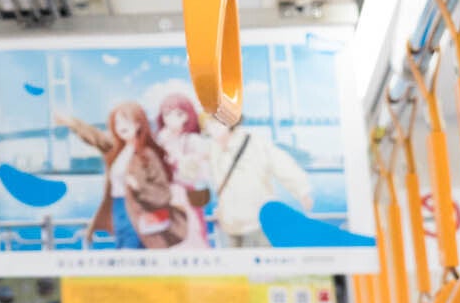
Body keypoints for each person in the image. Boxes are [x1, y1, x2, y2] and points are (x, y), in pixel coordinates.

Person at [56, 102, 187, 249]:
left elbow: (163, 192)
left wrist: (139, 187)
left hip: (138, 210)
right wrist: (72, 123)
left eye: (126, 120)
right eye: (117, 122)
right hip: (118, 208)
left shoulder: (147, 155)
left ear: (138, 124)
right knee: (123, 248)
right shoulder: (117, 150)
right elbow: (95, 137)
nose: (121, 126)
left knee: (131, 250)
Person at [205, 116, 314, 248]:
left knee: (262, 258)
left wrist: (302, 191)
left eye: (216, 123)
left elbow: (281, 163)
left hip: (256, 223)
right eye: (209, 124)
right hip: (230, 225)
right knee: (235, 260)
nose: (211, 128)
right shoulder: (213, 148)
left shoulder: (254, 143)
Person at [155, 92, 213, 248]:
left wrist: (178, 158)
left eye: (178, 114)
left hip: (187, 197)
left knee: (192, 237)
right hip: (165, 199)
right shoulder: (160, 140)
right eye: (167, 114)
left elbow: (202, 174)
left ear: (187, 116)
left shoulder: (193, 141)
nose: (171, 119)